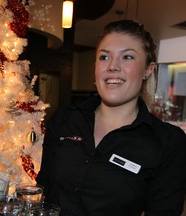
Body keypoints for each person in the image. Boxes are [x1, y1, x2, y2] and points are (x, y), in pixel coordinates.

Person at [36, 19, 186, 216]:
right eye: (104, 57)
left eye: (128, 57)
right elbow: (43, 191)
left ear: (148, 70)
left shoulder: (169, 143)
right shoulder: (65, 120)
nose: (113, 66)